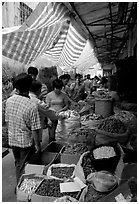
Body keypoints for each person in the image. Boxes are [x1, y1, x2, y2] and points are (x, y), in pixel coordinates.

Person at [5, 73, 42, 185]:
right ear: (30, 86)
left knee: (18, 163)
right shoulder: (32, 105)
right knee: (25, 166)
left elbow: (7, 121)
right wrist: (38, 146)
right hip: (25, 142)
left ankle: (18, 186)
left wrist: (10, 133)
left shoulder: (9, 101)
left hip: (12, 140)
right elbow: (35, 129)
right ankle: (23, 189)